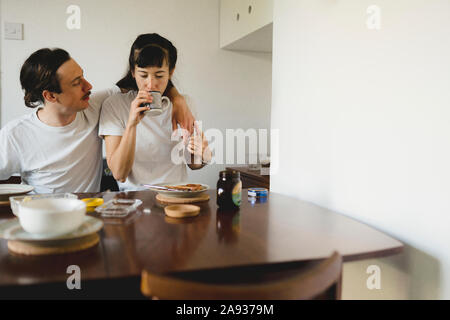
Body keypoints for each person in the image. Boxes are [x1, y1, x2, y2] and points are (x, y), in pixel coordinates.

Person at [0, 47, 195, 193]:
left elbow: (145, 81)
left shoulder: (95, 105)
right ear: (50, 96)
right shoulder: (15, 134)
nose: (89, 85)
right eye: (77, 83)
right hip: (41, 219)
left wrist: (178, 99)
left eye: (83, 76)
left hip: (88, 218)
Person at [99, 34, 211, 191]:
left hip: (176, 194)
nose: (151, 84)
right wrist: (132, 123)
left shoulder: (184, 104)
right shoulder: (115, 105)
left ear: (171, 72)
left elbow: (193, 164)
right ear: (132, 71)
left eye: (159, 75)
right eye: (143, 75)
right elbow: (119, 173)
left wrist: (202, 154)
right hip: (134, 199)